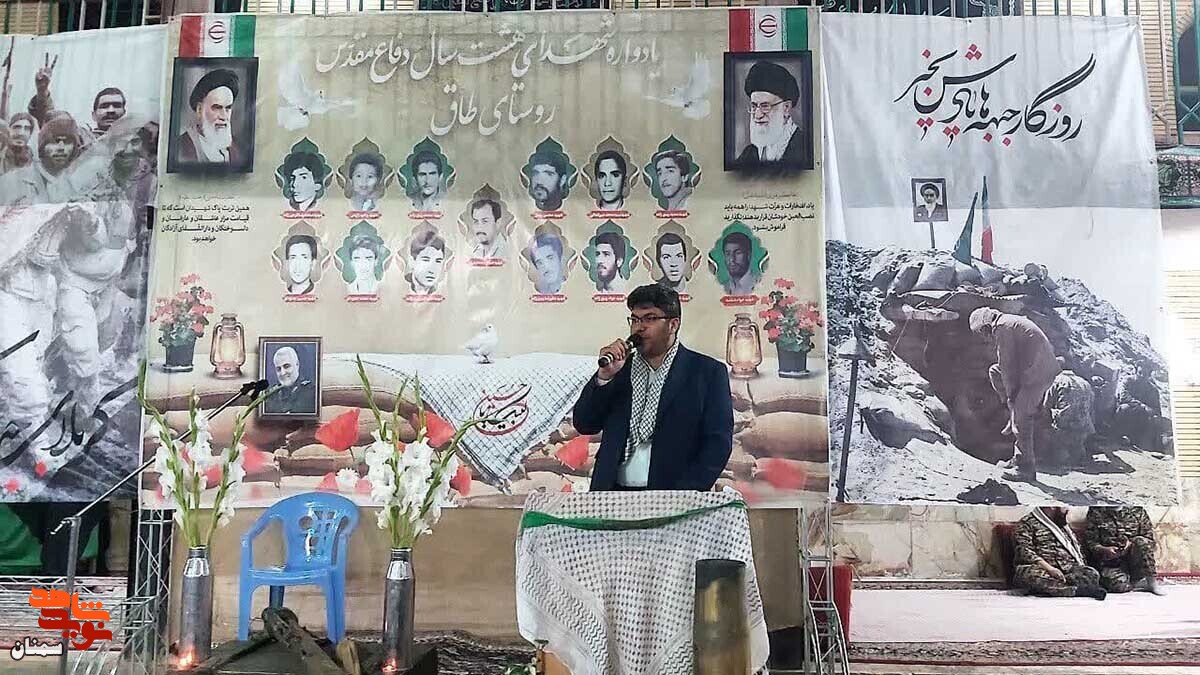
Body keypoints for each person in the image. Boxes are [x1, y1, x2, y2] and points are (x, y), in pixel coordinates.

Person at [573, 284, 733, 491]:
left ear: (673, 324)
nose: (639, 327)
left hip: (674, 495)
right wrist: (604, 377)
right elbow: (585, 424)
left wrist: (686, 494)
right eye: (635, 319)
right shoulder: (619, 369)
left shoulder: (706, 373)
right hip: (612, 493)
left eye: (649, 319)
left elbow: (718, 444)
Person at [968, 307, 1061, 481]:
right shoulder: (1009, 321)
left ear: (985, 327)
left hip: (1037, 373)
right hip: (1032, 368)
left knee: (1021, 416)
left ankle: (1025, 468)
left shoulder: (1002, 328)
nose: (985, 339)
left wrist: (1012, 397)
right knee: (994, 371)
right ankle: (1016, 450)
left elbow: (1007, 365)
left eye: (982, 333)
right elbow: (1003, 369)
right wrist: (1010, 399)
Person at [1013, 507, 1106, 600]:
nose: (1067, 510)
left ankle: (1056, 588)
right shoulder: (1026, 524)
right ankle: (1077, 590)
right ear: (1052, 506)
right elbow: (1024, 551)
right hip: (1042, 568)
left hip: (1066, 570)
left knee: (1091, 573)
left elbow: (1076, 550)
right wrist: (1050, 569)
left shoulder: (1061, 524)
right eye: (1064, 506)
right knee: (1030, 575)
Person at [736, 60, 809, 169]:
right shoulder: (748, 154)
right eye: (754, 106)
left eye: (765, 106)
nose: (757, 115)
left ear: (786, 108)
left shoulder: (805, 148)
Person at [1084, 507, 1163, 595]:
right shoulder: (1096, 511)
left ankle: (1151, 582)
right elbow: (1090, 542)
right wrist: (1104, 549)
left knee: (1141, 541)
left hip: (1134, 560)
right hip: (1109, 562)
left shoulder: (1138, 511)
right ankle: (1135, 583)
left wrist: (1130, 545)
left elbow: (1150, 541)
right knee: (1119, 586)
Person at [177, 68, 241, 165]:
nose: (224, 116)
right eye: (217, 108)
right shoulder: (180, 147)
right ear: (199, 110)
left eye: (228, 108)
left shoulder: (238, 148)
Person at [1044, 358, 1096, 468]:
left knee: (1056, 457)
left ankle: (1061, 455)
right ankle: (1079, 454)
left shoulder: (1056, 380)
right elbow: (1092, 408)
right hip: (1084, 428)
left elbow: (1045, 406)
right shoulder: (1084, 382)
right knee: (1076, 445)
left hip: (1064, 428)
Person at [1112, 359, 1164, 452]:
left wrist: (1150, 412)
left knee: (1154, 420)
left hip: (1142, 418)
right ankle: (1118, 435)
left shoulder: (1152, 390)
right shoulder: (1128, 380)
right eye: (1140, 373)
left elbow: (1157, 410)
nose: (1142, 376)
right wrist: (1142, 406)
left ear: (1149, 375)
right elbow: (1124, 397)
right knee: (1124, 408)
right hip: (1127, 413)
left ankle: (1143, 442)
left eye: (1146, 374)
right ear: (1136, 371)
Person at [263, 346, 317, 415]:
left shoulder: (312, 392)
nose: (282, 373)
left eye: (286, 366)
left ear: (297, 364)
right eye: (278, 369)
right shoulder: (271, 396)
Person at [407, 226, 446, 295]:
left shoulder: (444, 291)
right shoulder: (400, 287)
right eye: (426, 260)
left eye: (438, 261)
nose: (432, 270)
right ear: (412, 261)